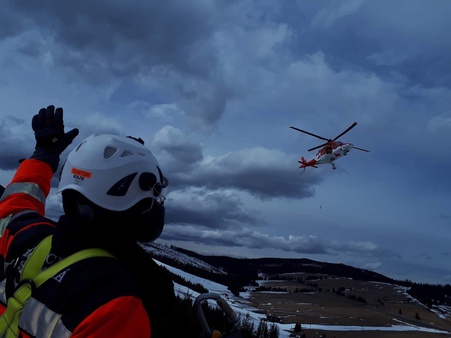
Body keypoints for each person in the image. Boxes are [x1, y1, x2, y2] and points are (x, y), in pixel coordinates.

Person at [0, 105, 176, 337]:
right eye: (154, 194)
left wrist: (43, 156)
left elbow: (16, 203)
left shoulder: (27, 236)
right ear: (139, 204)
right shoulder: (121, 306)